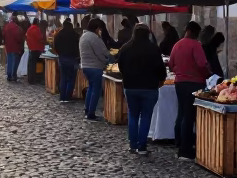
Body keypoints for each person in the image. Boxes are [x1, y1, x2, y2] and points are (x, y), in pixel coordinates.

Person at [117, 24, 166, 154]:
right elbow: (160, 68)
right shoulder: (153, 48)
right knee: (146, 116)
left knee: (132, 115)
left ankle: (133, 144)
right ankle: (142, 146)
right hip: (149, 87)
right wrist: (161, 79)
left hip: (130, 86)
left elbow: (120, 66)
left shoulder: (125, 48)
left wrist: (126, 77)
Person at [168, 21, 211, 160]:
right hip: (194, 84)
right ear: (194, 32)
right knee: (189, 116)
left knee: (181, 113)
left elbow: (171, 65)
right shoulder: (195, 45)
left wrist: (180, 72)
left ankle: (179, 143)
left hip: (179, 83)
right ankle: (185, 150)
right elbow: (202, 64)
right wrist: (208, 74)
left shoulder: (177, 44)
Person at [79, 18, 111, 121]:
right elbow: (102, 52)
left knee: (91, 88)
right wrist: (106, 60)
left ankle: (87, 109)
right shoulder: (94, 38)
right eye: (100, 28)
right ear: (97, 28)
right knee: (96, 90)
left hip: (85, 66)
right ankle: (91, 113)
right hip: (95, 67)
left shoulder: (83, 36)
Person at [52, 17, 80, 103]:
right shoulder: (74, 35)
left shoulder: (58, 35)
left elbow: (55, 46)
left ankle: (62, 97)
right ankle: (68, 97)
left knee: (63, 78)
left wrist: (59, 53)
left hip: (62, 57)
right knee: (71, 78)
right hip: (72, 58)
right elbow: (78, 47)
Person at [3, 13, 26, 82]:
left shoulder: (6, 27)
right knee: (15, 62)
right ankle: (13, 75)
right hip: (15, 47)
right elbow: (19, 39)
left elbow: (3, 35)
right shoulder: (17, 28)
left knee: (9, 61)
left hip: (8, 47)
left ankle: (9, 75)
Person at [25, 18, 45, 85]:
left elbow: (27, 38)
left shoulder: (29, 29)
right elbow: (39, 39)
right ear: (37, 22)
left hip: (32, 49)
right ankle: (37, 79)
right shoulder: (36, 29)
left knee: (31, 65)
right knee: (38, 64)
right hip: (37, 49)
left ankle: (30, 79)